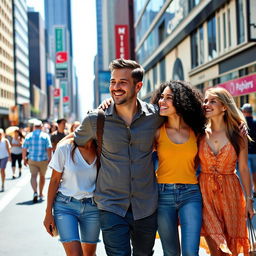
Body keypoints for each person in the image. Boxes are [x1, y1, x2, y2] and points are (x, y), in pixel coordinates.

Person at [73, 58, 164, 256]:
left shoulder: (156, 117)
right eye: (113, 82)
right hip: (111, 206)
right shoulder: (95, 119)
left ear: (138, 86)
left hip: (146, 206)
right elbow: (74, 142)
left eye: (122, 82)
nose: (116, 87)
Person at [151, 81, 206, 256]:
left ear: (181, 102)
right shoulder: (156, 131)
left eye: (168, 98)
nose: (162, 101)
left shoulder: (196, 131)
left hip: (190, 193)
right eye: (161, 97)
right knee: (171, 253)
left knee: (191, 252)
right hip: (162, 194)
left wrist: (240, 127)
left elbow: (197, 160)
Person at [199, 87, 253, 255]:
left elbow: (244, 168)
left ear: (224, 107)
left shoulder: (238, 133)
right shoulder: (199, 133)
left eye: (212, 101)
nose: (207, 104)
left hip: (231, 193)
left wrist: (250, 200)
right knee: (216, 247)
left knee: (231, 246)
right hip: (205, 193)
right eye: (205, 101)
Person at [43, 138, 100, 256]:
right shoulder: (64, 149)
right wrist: (48, 213)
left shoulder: (101, 150)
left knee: (89, 253)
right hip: (65, 206)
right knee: (75, 254)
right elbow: (54, 180)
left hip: (92, 207)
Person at [22, 119, 52, 203]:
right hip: (43, 160)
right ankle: (41, 193)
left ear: (34, 127)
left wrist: (24, 158)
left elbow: (24, 148)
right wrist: (50, 159)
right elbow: (49, 148)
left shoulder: (29, 136)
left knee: (33, 176)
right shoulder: (45, 136)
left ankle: (35, 192)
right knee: (42, 177)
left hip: (32, 159)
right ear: (41, 127)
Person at [241, 103, 256, 196]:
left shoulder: (242, 124)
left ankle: (248, 194)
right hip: (255, 153)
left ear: (244, 112)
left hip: (245, 153)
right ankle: (255, 190)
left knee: (246, 173)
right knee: (254, 173)